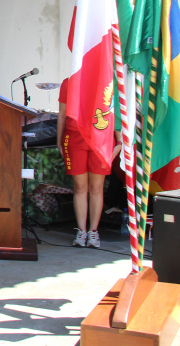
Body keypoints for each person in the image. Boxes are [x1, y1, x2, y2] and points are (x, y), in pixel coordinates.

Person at [57, 77, 121, 248]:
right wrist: (59, 141)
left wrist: (120, 141)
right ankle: (81, 231)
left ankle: (93, 231)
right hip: (75, 136)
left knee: (96, 188)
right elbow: (62, 114)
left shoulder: (108, 81)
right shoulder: (69, 82)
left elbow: (115, 113)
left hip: (102, 138)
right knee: (80, 187)